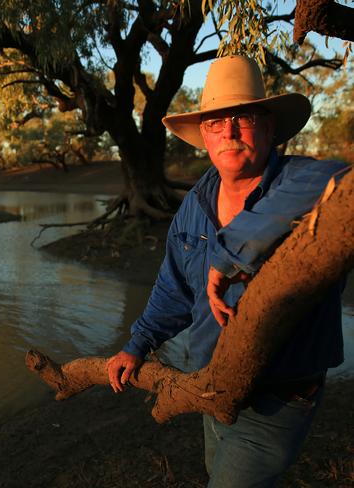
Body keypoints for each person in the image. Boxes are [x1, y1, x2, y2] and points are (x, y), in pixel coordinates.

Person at [106, 55, 348, 487]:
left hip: (280, 399)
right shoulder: (194, 207)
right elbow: (174, 291)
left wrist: (232, 251)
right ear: (203, 135)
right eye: (217, 122)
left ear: (270, 126)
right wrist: (137, 343)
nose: (230, 132)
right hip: (210, 388)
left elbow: (344, 177)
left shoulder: (304, 185)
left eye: (244, 117)